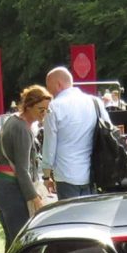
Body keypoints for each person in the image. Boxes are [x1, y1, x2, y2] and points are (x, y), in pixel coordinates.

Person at [0, 84, 51, 244]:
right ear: (28, 106)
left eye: (46, 109)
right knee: (22, 241)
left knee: (13, 241)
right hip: (8, 187)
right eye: (41, 109)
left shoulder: (12, 120)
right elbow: (22, 171)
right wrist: (34, 198)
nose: (44, 113)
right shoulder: (22, 128)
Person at [42, 66, 100, 198]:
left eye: (49, 87)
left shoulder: (54, 107)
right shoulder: (95, 102)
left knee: (70, 216)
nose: (49, 92)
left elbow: (49, 144)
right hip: (92, 171)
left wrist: (46, 175)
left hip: (66, 172)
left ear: (59, 84)